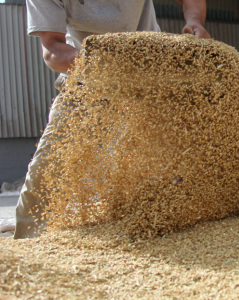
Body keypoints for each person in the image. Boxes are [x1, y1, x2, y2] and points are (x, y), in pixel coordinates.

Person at [13, 0, 210, 239]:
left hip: (148, 73)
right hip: (87, 76)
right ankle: (30, 242)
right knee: (50, 164)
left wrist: (194, 21)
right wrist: (107, 63)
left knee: (174, 156)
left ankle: (179, 229)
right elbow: (53, 51)